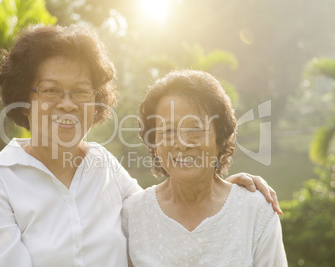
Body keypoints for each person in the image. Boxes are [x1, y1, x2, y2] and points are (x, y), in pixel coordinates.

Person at [0, 24, 281, 266]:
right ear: (24, 99)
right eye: (51, 90)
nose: (67, 104)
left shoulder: (103, 166)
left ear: (97, 100)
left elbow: (160, 207)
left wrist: (220, 185)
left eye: (81, 91)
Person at [122, 69, 287, 266]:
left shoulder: (255, 211)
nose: (182, 144)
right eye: (168, 130)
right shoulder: (132, 215)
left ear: (221, 135)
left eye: (195, 128)